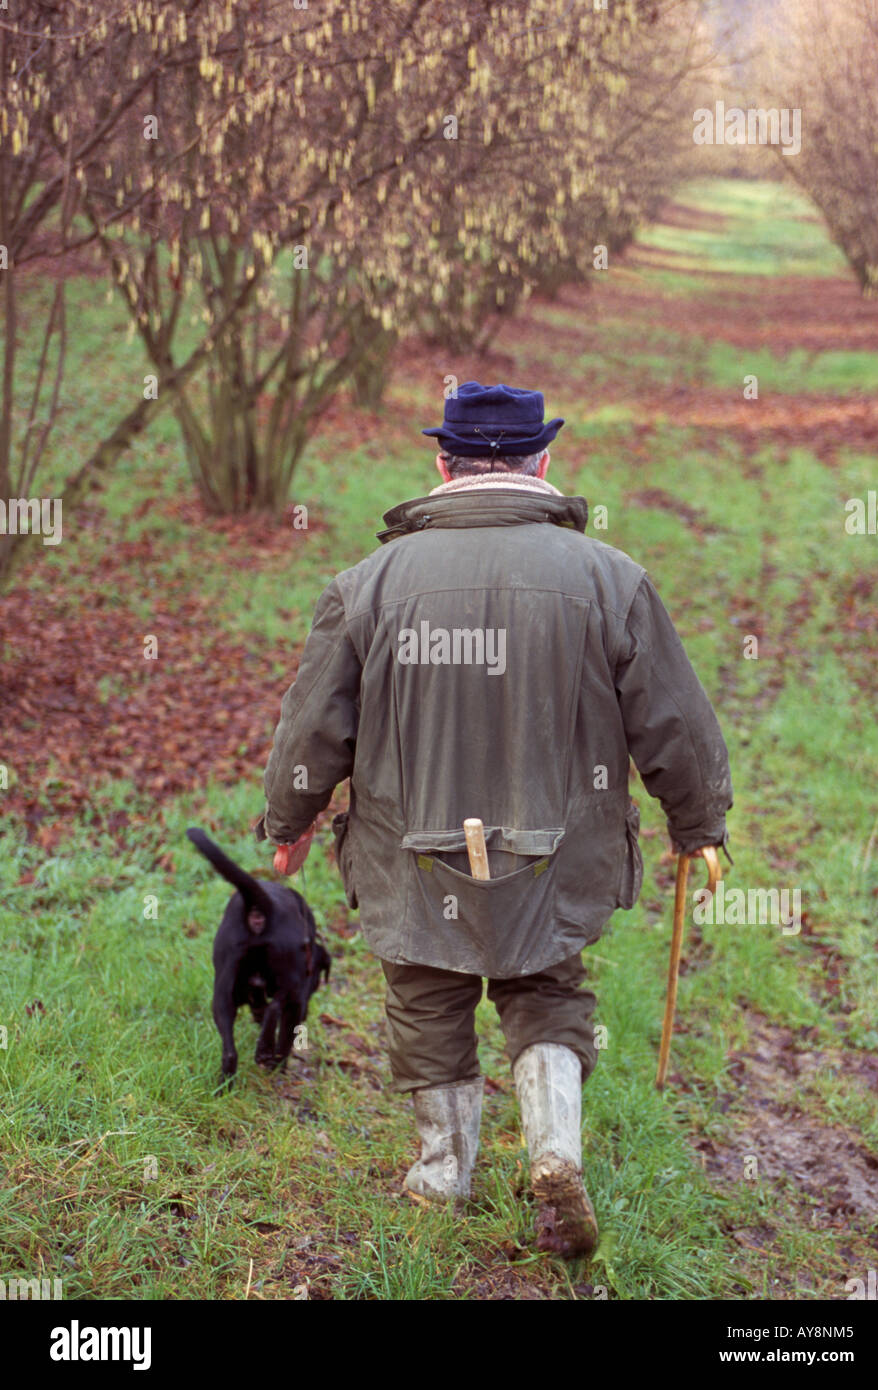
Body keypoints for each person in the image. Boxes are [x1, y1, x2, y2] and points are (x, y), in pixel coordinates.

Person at [259, 381, 732, 1258]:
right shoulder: (609, 579)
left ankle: (443, 1176)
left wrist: (288, 817)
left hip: (413, 849)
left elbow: (314, 725)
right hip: (555, 853)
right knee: (548, 989)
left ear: (441, 465)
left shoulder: (367, 586)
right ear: (542, 464)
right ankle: (554, 1150)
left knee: (425, 993)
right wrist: (698, 821)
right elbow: (673, 718)